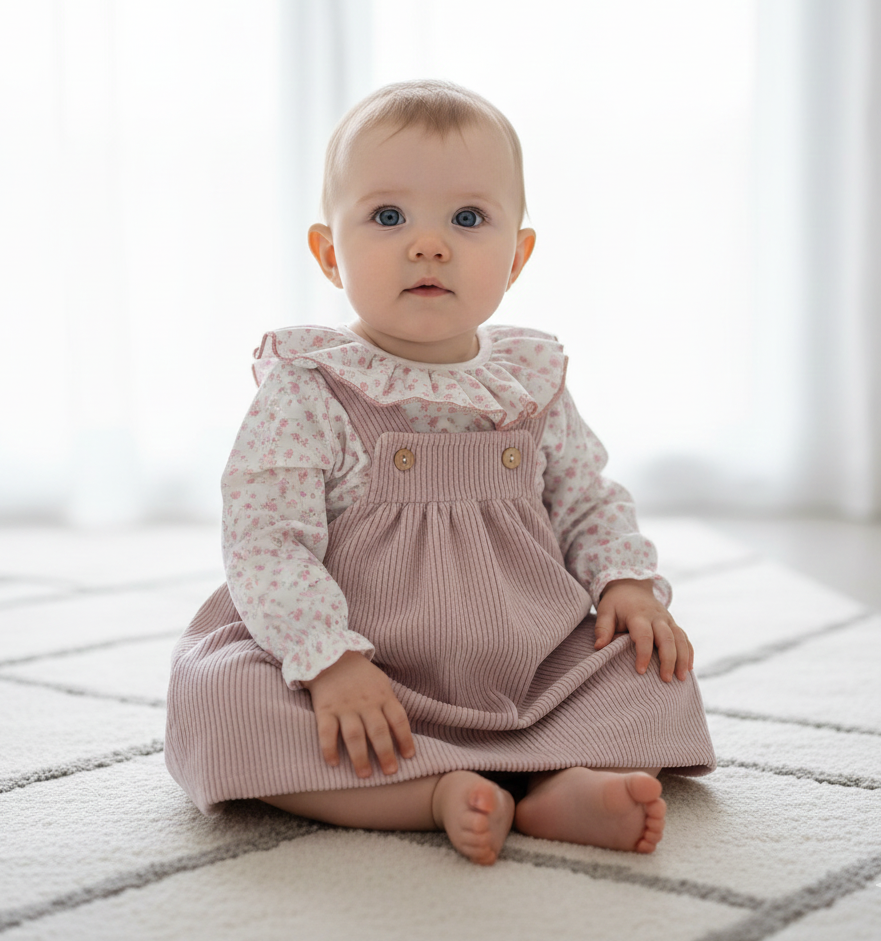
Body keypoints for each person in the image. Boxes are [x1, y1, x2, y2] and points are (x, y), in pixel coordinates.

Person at [165, 79, 715, 867]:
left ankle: (562, 782)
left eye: (467, 219)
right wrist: (328, 659)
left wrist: (623, 582)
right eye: (388, 218)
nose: (429, 245)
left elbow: (586, 498)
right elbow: (264, 541)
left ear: (518, 255)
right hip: (367, 669)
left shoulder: (529, 381)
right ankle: (430, 793)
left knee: (653, 667)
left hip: (524, 661)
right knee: (222, 700)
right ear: (329, 253)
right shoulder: (312, 386)